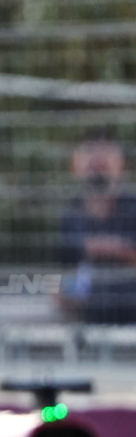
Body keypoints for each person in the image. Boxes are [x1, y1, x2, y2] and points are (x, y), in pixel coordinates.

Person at [61, 139, 136, 324]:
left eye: (103, 165)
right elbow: (67, 269)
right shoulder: (72, 214)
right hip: (92, 300)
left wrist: (120, 250)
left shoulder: (131, 207)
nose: (97, 171)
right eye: (92, 164)